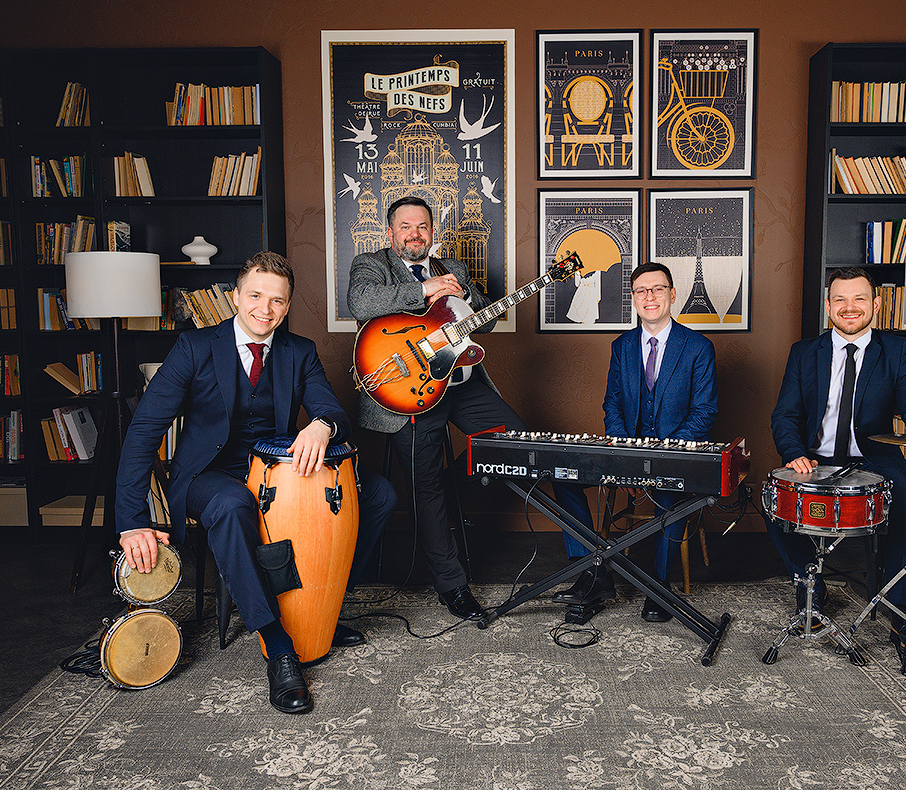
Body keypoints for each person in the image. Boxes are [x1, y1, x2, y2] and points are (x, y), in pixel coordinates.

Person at [115, 251, 396, 715]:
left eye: (277, 301)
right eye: (255, 296)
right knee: (232, 505)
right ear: (236, 297)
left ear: (287, 306)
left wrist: (322, 425)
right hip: (209, 475)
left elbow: (334, 411)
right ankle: (279, 644)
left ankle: (324, 610)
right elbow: (144, 431)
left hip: (277, 474)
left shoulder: (299, 351)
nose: (265, 309)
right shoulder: (194, 347)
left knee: (380, 494)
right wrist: (132, 521)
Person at [348, 196, 588, 621]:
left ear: (432, 232)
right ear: (391, 232)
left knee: (513, 444)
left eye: (422, 226)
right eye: (406, 227)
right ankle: (453, 586)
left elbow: (486, 322)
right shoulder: (372, 264)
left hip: (461, 385)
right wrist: (425, 289)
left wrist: (467, 297)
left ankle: (447, 492)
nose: (415, 234)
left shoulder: (453, 269)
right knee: (424, 488)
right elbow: (361, 303)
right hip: (409, 391)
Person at [769, 265, 906, 647]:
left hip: (873, 460)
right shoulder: (804, 353)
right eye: (840, 299)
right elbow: (785, 415)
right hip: (814, 458)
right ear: (828, 306)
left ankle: (902, 615)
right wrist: (794, 454)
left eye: (859, 299)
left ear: (876, 304)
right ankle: (809, 584)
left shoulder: (896, 351)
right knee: (774, 499)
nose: (850, 307)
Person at [553, 262, 718, 622]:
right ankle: (591, 570)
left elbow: (704, 412)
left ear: (672, 294)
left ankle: (659, 586)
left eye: (658, 289)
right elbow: (612, 404)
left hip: (674, 454)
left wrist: (660, 456)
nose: (650, 296)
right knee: (563, 477)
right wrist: (627, 455)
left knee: (672, 499)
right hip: (626, 451)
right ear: (633, 298)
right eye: (642, 290)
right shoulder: (622, 346)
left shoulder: (698, 347)